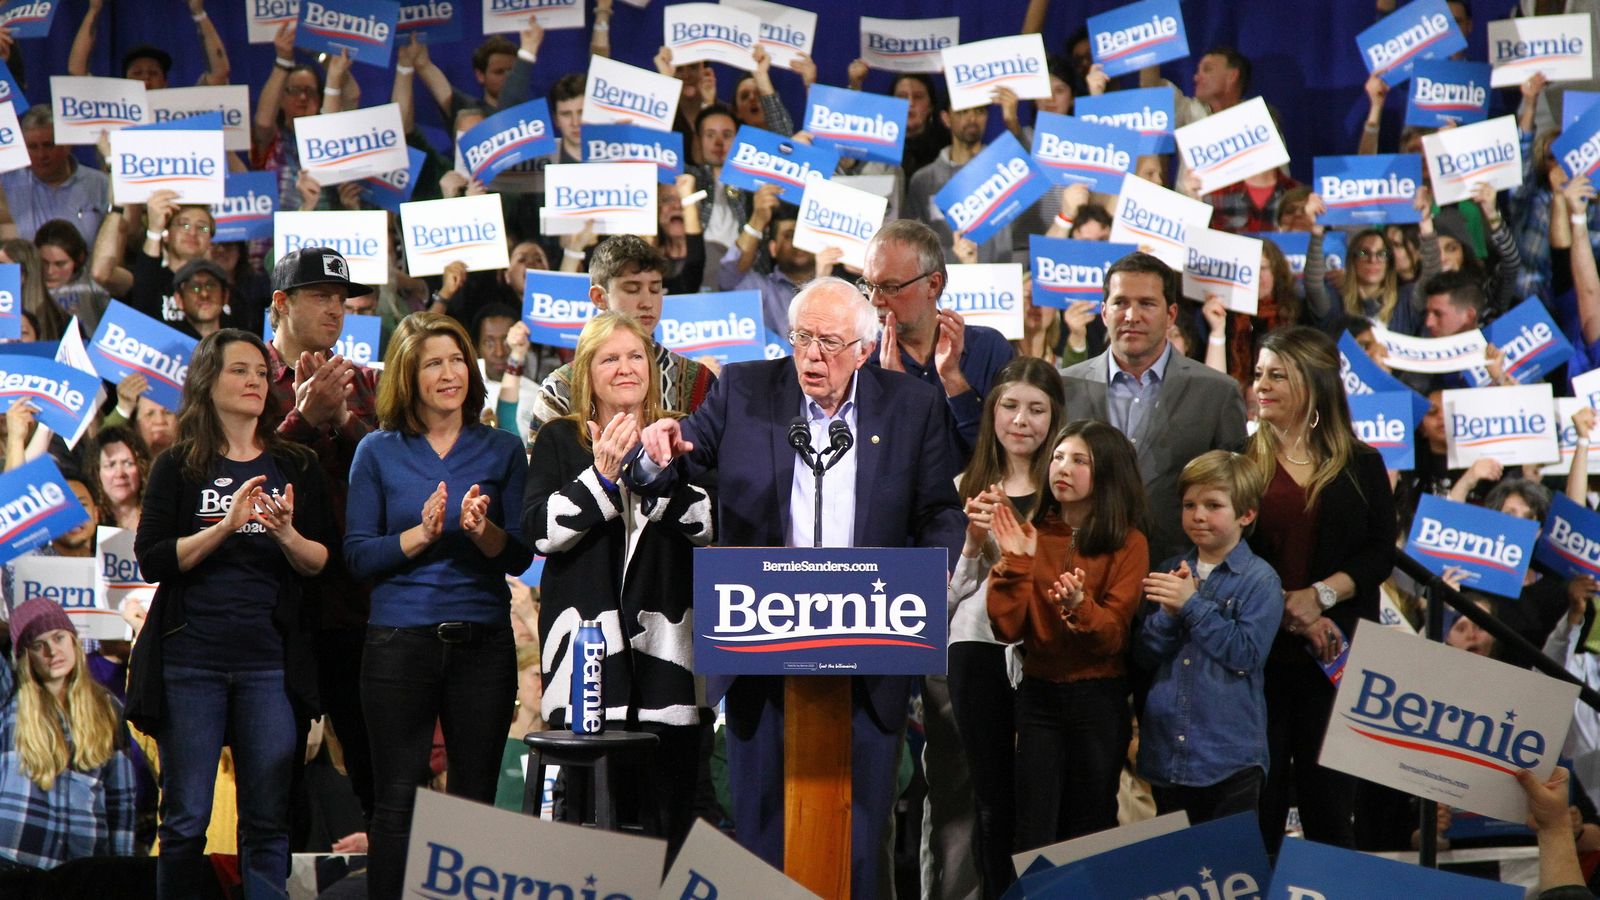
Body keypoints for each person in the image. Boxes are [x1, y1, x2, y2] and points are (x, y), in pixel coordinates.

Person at [624, 277, 965, 899]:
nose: (812, 355)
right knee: (760, 831)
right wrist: (655, 452)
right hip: (762, 647)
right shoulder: (746, 389)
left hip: (873, 645)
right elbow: (671, 466)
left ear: (865, 348)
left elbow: (939, 510)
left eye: (830, 342)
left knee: (863, 838)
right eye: (802, 337)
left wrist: (933, 570)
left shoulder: (911, 407)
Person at [128, 328, 336, 898]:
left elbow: (321, 562)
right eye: (240, 370)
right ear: (208, 381)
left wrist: (286, 534)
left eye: (262, 373)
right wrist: (223, 526)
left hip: (269, 666)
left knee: (268, 822)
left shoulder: (296, 463)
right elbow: (152, 560)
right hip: (190, 664)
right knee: (186, 821)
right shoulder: (178, 466)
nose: (254, 381)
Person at [345, 313, 532, 900]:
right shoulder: (377, 451)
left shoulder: (502, 448)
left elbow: (521, 555)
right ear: (408, 374)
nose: (450, 373)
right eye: (433, 363)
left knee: (474, 802)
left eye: (457, 359)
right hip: (400, 646)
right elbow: (356, 555)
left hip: (483, 645)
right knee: (397, 800)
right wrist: (420, 535)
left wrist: (482, 533)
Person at [522, 311, 712, 855]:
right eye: (610, 358)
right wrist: (600, 479)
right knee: (587, 817)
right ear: (587, 372)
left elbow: (713, 523)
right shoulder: (560, 438)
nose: (625, 368)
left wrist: (658, 478)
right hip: (585, 659)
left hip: (669, 657)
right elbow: (539, 531)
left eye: (635, 357)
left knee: (668, 808)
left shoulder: (682, 433)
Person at [1246, 325, 1396, 854]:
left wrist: (1321, 596)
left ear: (1312, 384)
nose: (1260, 384)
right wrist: (1289, 608)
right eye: (1259, 373)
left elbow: (1381, 549)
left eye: (1276, 375)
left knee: (1330, 809)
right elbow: (1227, 551)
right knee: (1257, 807)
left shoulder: (1362, 463)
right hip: (1257, 656)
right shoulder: (1240, 459)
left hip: (1336, 656)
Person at [986, 419, 1147, 849]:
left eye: (1080, 460)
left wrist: (1080, 607)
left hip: (1098, 698)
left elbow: (1113, 635)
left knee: (1089, 827)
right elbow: (1005, 628)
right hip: (1037, 696)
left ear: (1108, 474)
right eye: (1058, 457)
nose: (1063, 467)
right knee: (1033, 829)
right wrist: (1014, 565)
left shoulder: (1129, 543)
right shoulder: (1031, 534)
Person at [942, 357, 1066, 898]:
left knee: (1045, 800)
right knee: (992, 800)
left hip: (1048, 651)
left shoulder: (1070, 489)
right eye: (1010, 406)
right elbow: (940, 601)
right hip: (976, 652)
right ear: (992, 412)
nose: (1022, 420)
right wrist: (972, 545)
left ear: (1055, 417)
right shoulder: (958, 487)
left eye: (1037, 409)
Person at [1060, 252, 1248, 564]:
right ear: (1104, 312)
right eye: (1120, 303)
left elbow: (1239, 495)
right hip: (1079, 571)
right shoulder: (1064, 386)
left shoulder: (1218, 392)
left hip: (1178, 575)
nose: (1132, 316)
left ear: (1171, 314)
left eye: (1146, 304)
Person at [1134, 450, 1282, 824]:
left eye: (1213, 505)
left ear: (1246, 514)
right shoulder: (1170, 569)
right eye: (1189, 504)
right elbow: (1145, 653)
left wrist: (1191, 605)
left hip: (1229, 757)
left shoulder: (1260, 579)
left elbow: (1245, 654)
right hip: (1168, 751)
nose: (1198, 515)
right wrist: (1168, 615)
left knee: (1229, 871)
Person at [0, 599, 136, 872]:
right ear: (26, 658)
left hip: (83, 866)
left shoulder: (108, 708)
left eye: (59, 638)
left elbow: (121, 801)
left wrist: (122, 870)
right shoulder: (9, 699)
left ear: (74, 640)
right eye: (38, 645)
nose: (52, 651)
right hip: (14, 861)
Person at [529, 236, 716, 434]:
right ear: (599, 297)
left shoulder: (699, 380)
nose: (647, 302)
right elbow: (540, 462)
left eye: (655, 289)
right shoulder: (560, 389)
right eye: (632, 289)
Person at [864, 220, 1015, 460]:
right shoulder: (862, 362)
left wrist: (954, 380)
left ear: (933, 284)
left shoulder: (988, 349)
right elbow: (878, 466)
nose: (874, 301)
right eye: (869, 286)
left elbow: (1003, 457)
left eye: (889, 287)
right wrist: (898, 391)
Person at [91, 190, 215, 327]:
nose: (192, 232)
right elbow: (102, 273)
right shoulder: (143, 277)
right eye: (184, 225)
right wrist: (116, 209)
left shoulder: (219, 288)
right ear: (167, 235)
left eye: (202, 228)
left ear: (211, 240)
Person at [0, 106, 110, 243]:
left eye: (48, 145)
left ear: (67, 145)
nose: (41, 155)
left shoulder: (100, 184)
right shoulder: (6, 184)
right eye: (33, 147)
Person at [34, 218, 108, 335]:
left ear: (79, 259)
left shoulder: (92, 282)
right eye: (44, 262)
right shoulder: (27, 287)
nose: (50, 271)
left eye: (60, 264)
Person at [84, 425, 150, 532]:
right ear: (96, 472)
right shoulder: (88, 522)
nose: (120, 473)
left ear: (141, 468)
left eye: (128, 463)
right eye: (110, 465)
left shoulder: (158, 515)